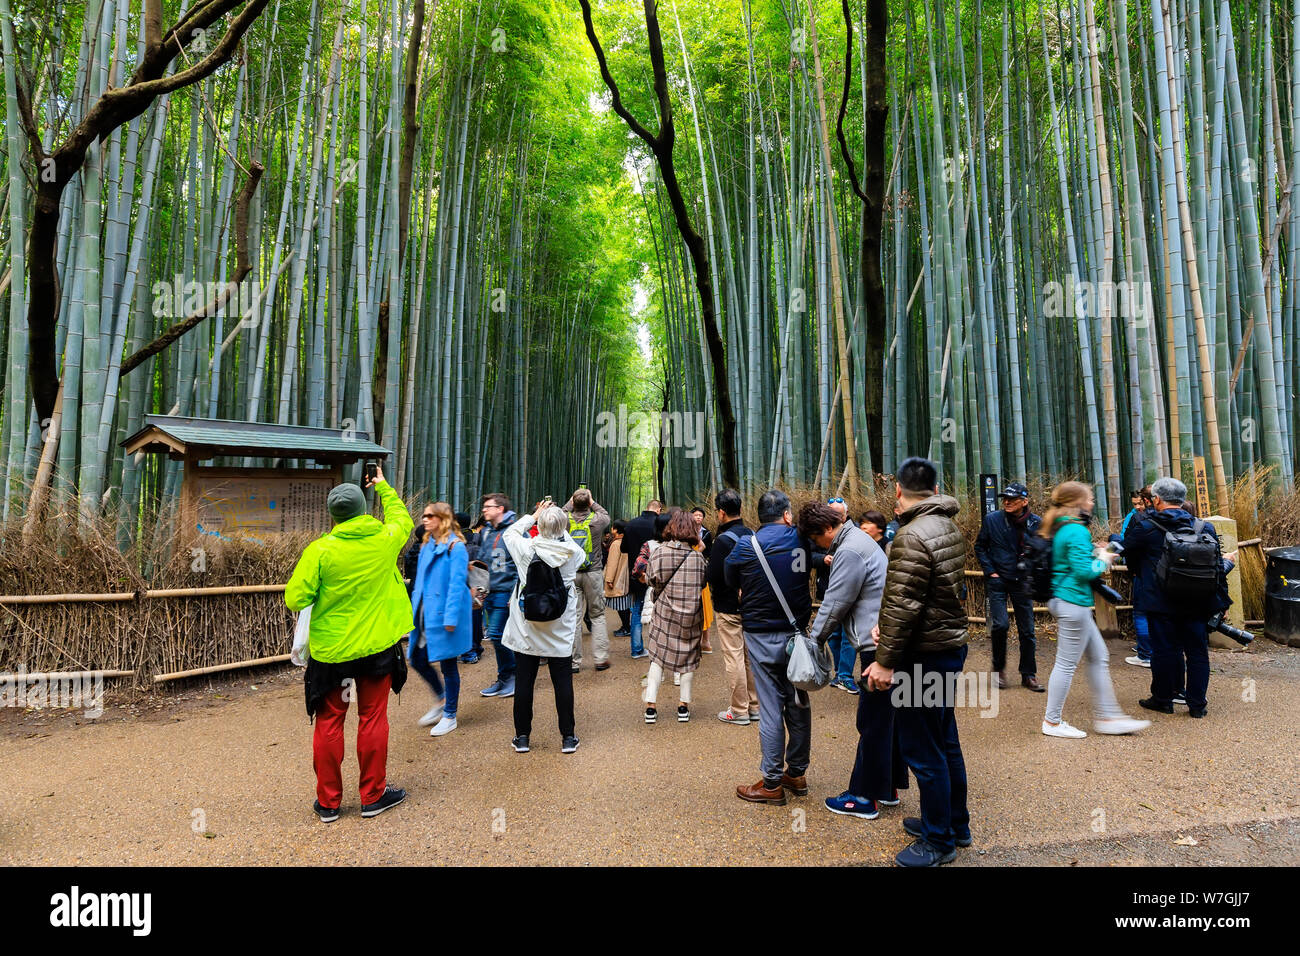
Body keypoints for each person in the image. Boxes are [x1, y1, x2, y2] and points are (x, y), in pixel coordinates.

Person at [286, 464, 412, 822]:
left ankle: (328, 804)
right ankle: (372, 796)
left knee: (329, 722)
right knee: (373, 717)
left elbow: (296, 598)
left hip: (333, 655)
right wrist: (384, 486)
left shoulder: (320, 550)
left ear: (333, 516)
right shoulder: (386, 539)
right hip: (376, 651)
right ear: (363, 510)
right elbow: (402, 517)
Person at [863, 457, 969, 866]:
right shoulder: (947, 524)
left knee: (923, 751)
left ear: (898, 491)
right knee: (945, 743)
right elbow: (927, 598)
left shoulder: (910, 535)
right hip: (945, 648)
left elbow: (903, 605)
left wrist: (886, 661)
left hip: (921, 657)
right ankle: (952, 824)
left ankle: (938, 841)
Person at [797, 502, 902, 821]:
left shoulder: (850, 550)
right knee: (885, 720)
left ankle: (863, 797)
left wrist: (812, 641)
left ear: (828, 530)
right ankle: (887, 787)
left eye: (817, 540)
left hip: (877, 645)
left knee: (871, 720)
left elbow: (835, 603)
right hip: (883, 638)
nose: (818, 546)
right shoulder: (858, 540)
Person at [1038, 482, 1151, 739]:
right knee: (1066, 664)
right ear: (1077, 502)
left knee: (1099, 656)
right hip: (1072, 602)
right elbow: (1083, 572)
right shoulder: (1075, 530)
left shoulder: (1061, 527)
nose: (1091, 503)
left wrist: (1098, 553)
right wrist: (1104, 559)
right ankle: (1052, 721)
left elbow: (1073, 563)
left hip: (1067, 600)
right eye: (1088, 499)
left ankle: (1108, 716)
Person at [725, 489, 813, 806]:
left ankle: (772, 782)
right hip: (796, 636)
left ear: (758, 516)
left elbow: (728, 575)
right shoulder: (801, 540)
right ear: (787, 514)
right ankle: (797, 773)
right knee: (799, 702)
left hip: (760, 636)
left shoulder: (747, 545)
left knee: (771, 707)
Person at [1122, 477, 1235, 719]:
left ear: (1157, 500)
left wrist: (1139, 570)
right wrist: (1222, 601)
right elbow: (1216, 566)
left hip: (1160, 601)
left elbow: (1127, 553)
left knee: (1164, 651)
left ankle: (1163, 699)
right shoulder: (1204, 527)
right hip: (1197, 601)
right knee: (1197, 653)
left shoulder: (1146, 527)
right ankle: (1197, 705)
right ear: (1183, 500)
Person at [501, 501, 587, 754]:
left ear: (538, 526)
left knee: (525, 682)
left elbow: (509, 532)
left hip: (527, 627)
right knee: (562, 683)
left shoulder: (526, 548)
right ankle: (568, 738)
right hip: (559, 628)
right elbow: (567, 541)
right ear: (565, 528)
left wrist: (535, 515)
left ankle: (522, 737)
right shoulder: (573, 553)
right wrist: (559, 525)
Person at [407, 502, 472, 738]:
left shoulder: (456, 546)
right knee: (416, 659)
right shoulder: (426, 544)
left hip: (442, 615)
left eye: (430, 516)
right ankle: (441, 698)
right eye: (424, 516)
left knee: (448, 665)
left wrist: (451, 617)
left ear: (442, 518)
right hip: (424, 613)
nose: (424, 519)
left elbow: (457, 585)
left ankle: (450, 714)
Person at [974, 481, 1043, 692]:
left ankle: (1028, 674)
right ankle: (999, 668)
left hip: (1022, 581)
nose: (1007, 501)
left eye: (1012, 499)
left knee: (1028, 630)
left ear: (1025, 501)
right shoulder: (992, 519)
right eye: (1005, 498)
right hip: (999, 579)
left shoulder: (1035, 523)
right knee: (1000, 625)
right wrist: (990, 571)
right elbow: (980, 546)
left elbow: (1041, 551)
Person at [643, 511, 708, 723]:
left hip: (665, 612)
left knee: (658, 656)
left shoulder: (660, 552)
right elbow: (701, 584)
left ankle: (650, 707)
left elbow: (651, 580)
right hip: (690, 614)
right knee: (688, 657)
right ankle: (683, 707)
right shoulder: (698, 557)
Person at [707, 489, 760, 725]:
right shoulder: (753, 534)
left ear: (721, 513)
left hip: (728, 607)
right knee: (750, 657)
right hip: (752, 604)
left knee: (734, 657)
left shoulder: (723, 541)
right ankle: (755, 706)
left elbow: (714, 576)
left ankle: (739, 710)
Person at [813, 497, 858, 695]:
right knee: (833, 634)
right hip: (828, 587)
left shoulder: (854, 532)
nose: (835, 516)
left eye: (838, 513)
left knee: (849, 634)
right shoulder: (820, 530)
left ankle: (846, 676)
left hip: (849, 590)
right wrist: (823, 558)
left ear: (845, 515)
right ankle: (840, 672)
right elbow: (808, 555)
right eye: (831, 512)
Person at [563, 489, 611, 673]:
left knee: (573, 618)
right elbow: (604, 513)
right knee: (597, 615)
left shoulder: (565, 520)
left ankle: (574, 662)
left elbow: (557, 515)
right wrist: (591, 500)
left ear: (573, 503)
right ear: (590, 502)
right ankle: (600, 659)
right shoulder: (598, 521)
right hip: (593, 572)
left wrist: (570, 502)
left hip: (572, 573)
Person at [478, 493, 519, 698]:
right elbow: (482, 562)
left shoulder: (515, 530)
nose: (484, 509)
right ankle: (504, 677)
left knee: (496, 634)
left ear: (500, 509)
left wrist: (517, 591)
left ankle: (512, 677)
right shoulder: (485, 532)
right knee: (497, 637)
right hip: (489, 591)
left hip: (506, 591)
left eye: (488, 506)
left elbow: (524, 561)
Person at [621, 500, 663, 659]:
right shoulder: (658, 524)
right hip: (657, 574)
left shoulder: (631, 524)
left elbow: (623, 548)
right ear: (658, 510)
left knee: (637, 609)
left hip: (637, 574)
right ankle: (659, 649)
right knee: (660, 610)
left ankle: (637, 648)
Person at [1120, 487, 1154, 668]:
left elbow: (1127, 545)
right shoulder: (1181, 517)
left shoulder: (1140, 519)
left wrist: (1132, 567)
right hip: (1169, 576)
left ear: (1147, 500)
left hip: (1143, 572)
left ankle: (1145, 654)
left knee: (1141, 613)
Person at [457, 510, 485, 664]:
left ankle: (470, 651)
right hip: (478, 582)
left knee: (466, 621)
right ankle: (476, 648)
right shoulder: (477, 536)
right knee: (475, 618)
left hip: (465, 585)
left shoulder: (456, 540)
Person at [605, 519, 633, 636]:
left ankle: (626, 628)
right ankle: (626, 626)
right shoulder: (628, 541)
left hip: (617, 578)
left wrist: (609, 579)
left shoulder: (616, 544)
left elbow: (612, 563)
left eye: (612, 527)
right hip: (626, 577)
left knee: (620, 604)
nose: (611, 529)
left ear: (616, 530)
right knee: (624, 604)